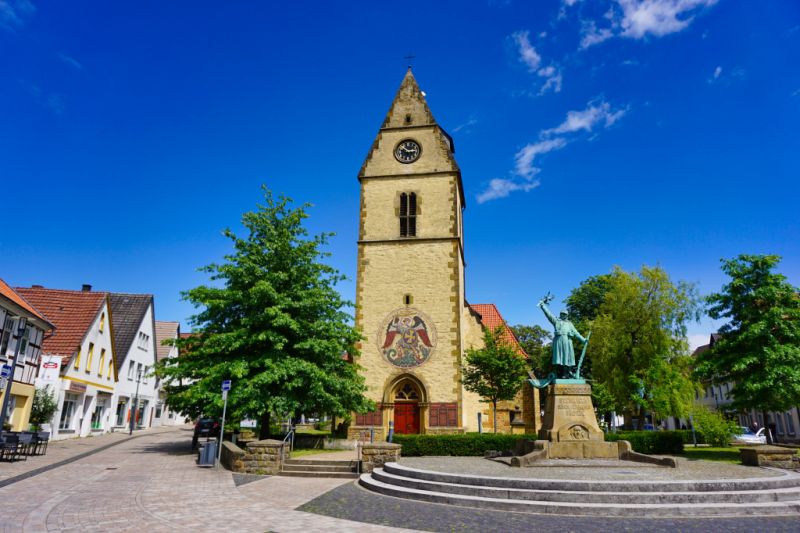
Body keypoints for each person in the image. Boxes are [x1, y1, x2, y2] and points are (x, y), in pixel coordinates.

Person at [538, 297, 588, 378]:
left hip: (567, 342)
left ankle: (566, 374)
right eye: (562, 314)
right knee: (558, 358)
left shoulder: (570, 324)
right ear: (560, 314)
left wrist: (583, 339)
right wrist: (543, 306)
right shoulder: (557, 321)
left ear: (567, 315)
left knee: (567, 358)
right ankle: (557, 374)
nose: (563, 315)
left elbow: (576, 333)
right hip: (559, 341)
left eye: (565, 314)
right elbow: (549, 315)